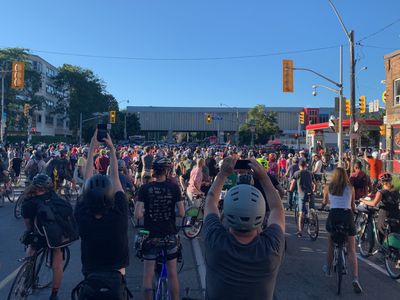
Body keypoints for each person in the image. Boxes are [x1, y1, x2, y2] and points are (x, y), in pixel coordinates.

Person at [203, 156, 285, 300]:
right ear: (260, 214)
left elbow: (210, 201)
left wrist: (222, 174)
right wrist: (264, 178)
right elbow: (277, 208)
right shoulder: (272, 247)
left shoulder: (214, 241)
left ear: (226, 214)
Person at [74, 131, 130, 299]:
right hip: (116, 272)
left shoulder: (82, 215)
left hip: (91, 272)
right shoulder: (119, 214)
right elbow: (115, 178)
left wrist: (92, 148)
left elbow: (87, 182)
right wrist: (112, 150)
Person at [134, 157, 185, 300]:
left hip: (151, 237)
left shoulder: (145, 188)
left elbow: (137, 214)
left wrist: (148, 211)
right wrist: (170, 212)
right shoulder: (174, 188)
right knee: (173, 274)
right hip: (170, 235)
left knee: (148, 276)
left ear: (154, 171)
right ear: (167, 171)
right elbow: (181, 213)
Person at [21, 174, 67, 300]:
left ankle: (26, 275)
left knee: (31, 246)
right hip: (55, 237)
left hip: (39, 235)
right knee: (57, 261)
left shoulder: (28, 203)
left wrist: (29, 232)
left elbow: (28, 224)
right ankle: (54, 294)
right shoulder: (54, 197)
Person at [321, 167, 362, 293]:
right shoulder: (350, 188)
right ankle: (355, 278)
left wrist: (322, 207)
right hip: (346, 215)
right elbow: (352, 206)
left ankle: (328, 268)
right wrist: (355, 211)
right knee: (351, 249)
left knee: (331, 245)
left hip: (333, 215)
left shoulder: (329, 187)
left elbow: (324, 202)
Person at [361, 173, 400, 241]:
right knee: (395, 236)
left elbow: (373, 203)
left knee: (382, 235)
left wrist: (363, 200)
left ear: (382, 183)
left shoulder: (381, 192)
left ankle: (382, 249)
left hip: (385, 216)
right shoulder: (396, 191)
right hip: (396, 215)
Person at [290, 159, 316, 237]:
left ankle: (300, 231)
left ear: (299, 166)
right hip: (310, 194)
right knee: (312, 209)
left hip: (302, 194)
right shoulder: (310, 173)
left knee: (301, 213)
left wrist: (290, 190)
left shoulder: (297, 173)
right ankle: (313, 220)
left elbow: (293, 184)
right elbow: (315, 184)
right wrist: (314, 189)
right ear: (306, 165)